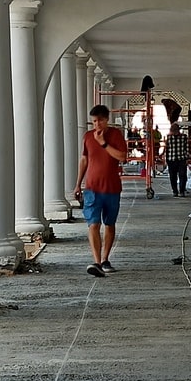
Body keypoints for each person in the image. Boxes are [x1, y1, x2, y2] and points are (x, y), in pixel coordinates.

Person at [74, 105, 128, 277]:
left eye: (100, 121)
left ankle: (105, 259)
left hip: (112, 187)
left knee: (109, 224)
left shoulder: (115, 135)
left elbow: (122, 157)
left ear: (107, 120)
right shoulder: (88, 137)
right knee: (93, 224)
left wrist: (103, 143)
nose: (96, 124)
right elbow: (84, 160)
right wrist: (78, 184)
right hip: (92, 188)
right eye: (94, 121)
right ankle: (97, 261)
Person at [163, 124, 191, 197]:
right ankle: (176, 191)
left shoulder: (183, 137)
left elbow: (187, 148)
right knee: (174, 176)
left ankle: (181, 191)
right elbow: (167, 149)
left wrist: (187, 158)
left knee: (182, 176)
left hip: (180, 159)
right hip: (173, 159)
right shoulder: (169, 138)